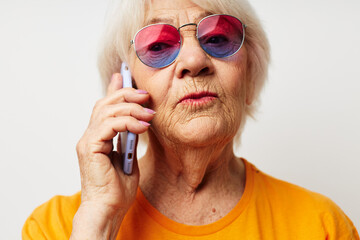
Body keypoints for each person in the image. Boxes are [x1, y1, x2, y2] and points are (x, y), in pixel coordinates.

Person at [22, 0, 359, 239]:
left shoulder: (320, 226)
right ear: (125, 85)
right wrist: (99, 219)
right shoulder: (57, 227)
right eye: (158, 46)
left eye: (217, 38)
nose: (195, 59)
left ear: (248, 76)